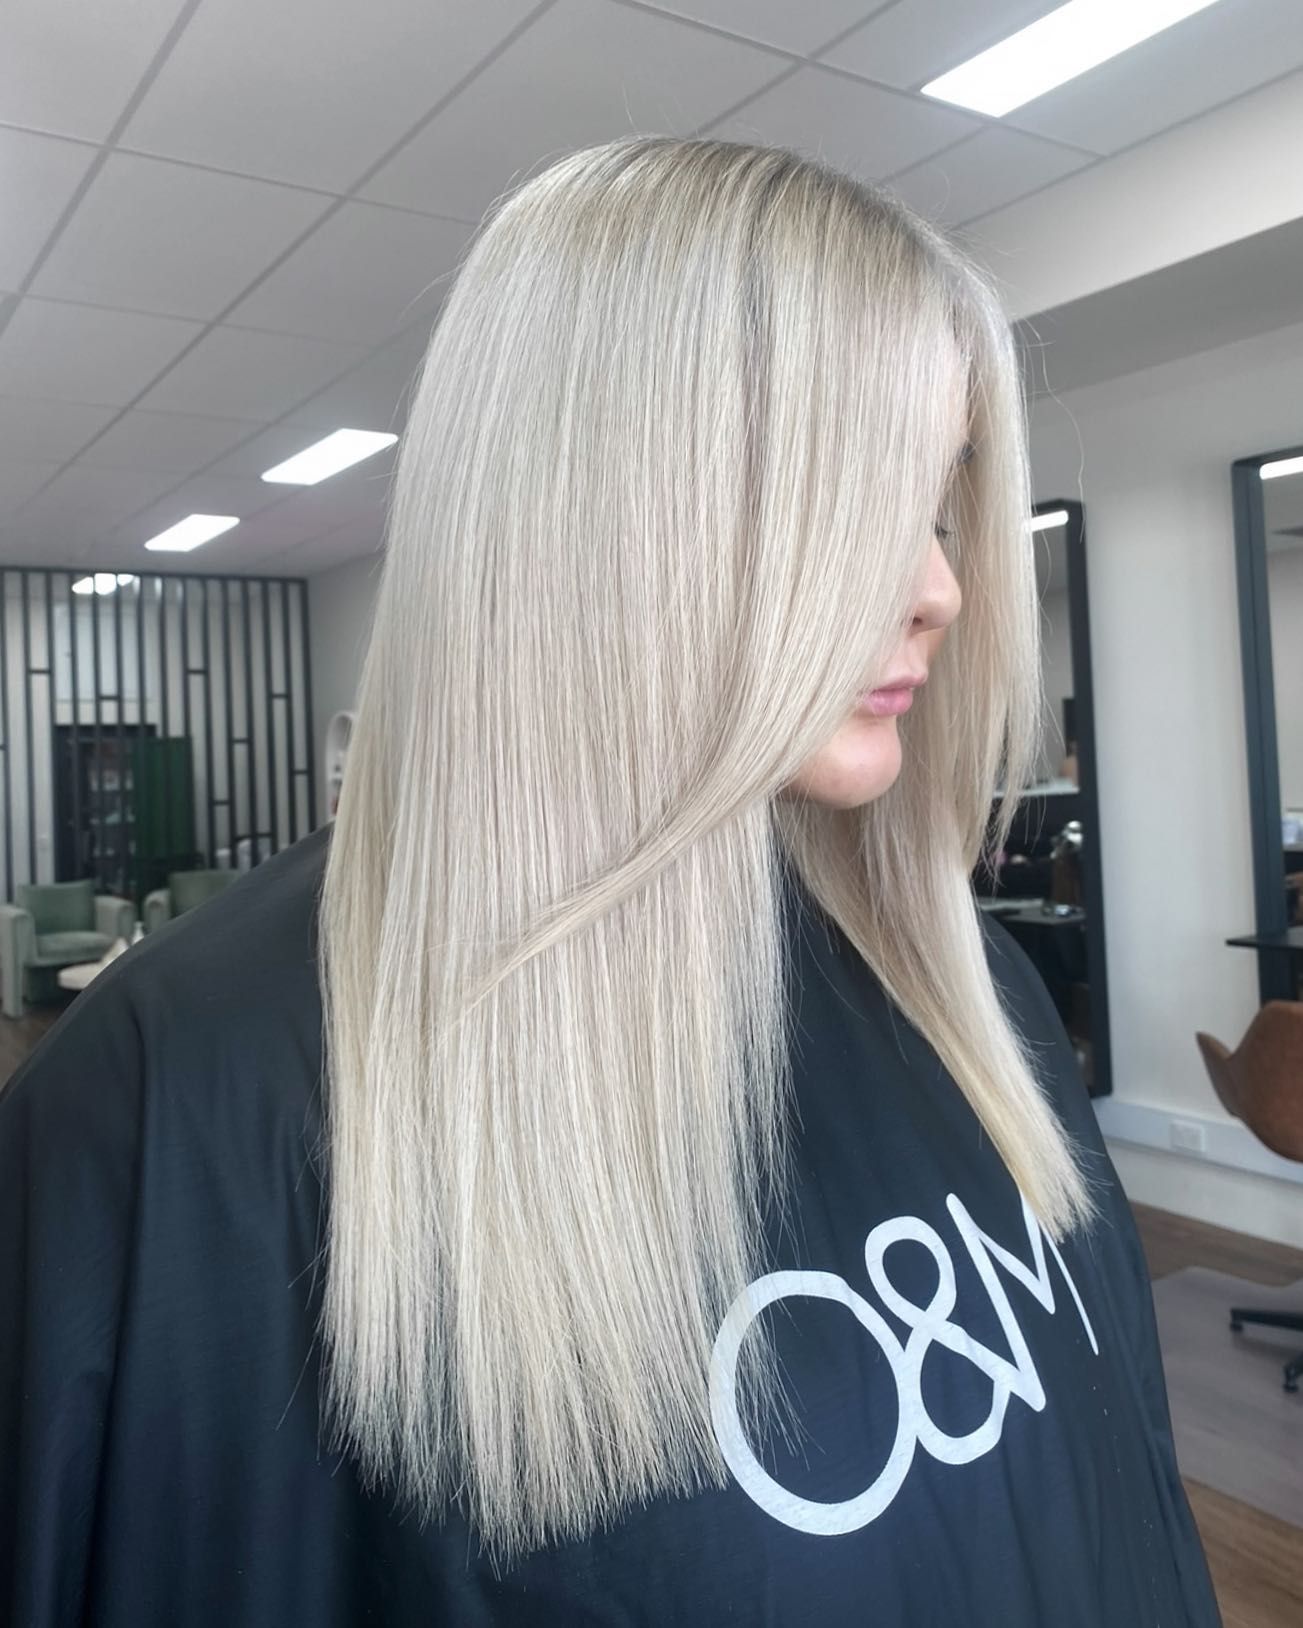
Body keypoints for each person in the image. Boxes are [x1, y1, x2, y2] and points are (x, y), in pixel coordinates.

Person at [0, 138, 1220, 1627]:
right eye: (849, 500)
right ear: (604, 508)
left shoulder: (970, 990)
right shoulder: (193, 1098)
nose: (943, 587)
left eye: (939, 502)